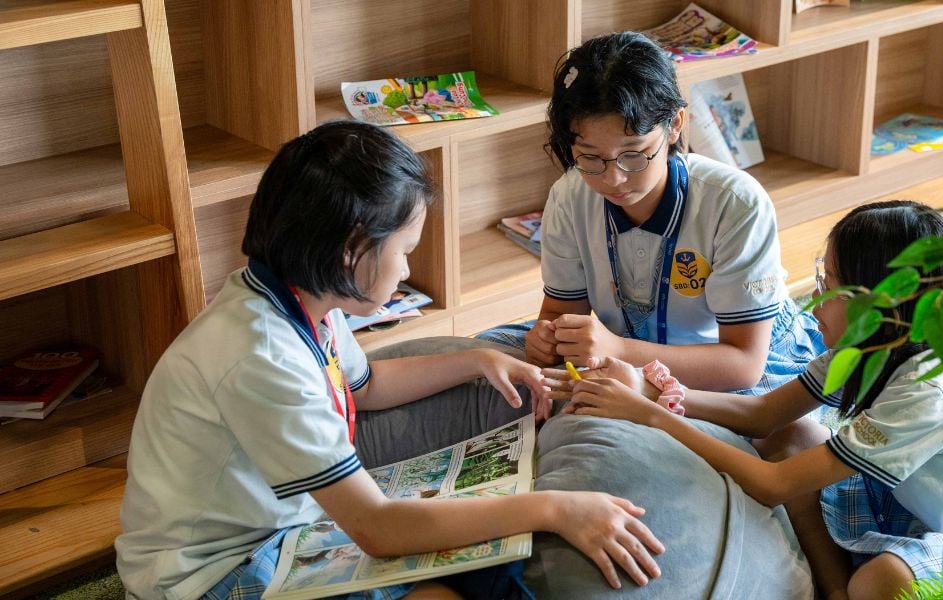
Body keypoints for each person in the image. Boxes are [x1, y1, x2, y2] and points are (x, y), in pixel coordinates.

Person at [115, 121, 662, 600]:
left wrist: (477, 359)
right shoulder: (259, 355)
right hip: (206, 574)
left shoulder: (299, 302)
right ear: (352, 248)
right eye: (403, 251)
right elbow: (376, 528)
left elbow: (365, 386)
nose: (405, 271)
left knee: (488, 570)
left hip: (289, 526)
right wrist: (555, 507)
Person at [546, 200, 943, 600]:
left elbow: (773, 487)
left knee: (883, 579)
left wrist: (650, 416)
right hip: (931, 505)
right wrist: (651, 390)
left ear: (877, 301)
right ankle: (833, 589)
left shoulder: (932, 390)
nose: (813, 299)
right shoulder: (870, 344)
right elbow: (762, 413)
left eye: (829, 283)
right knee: (793, 436)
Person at [476, 31, 823, 400]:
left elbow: (743, 364)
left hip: (735, 356)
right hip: (623, 347)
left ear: (675, 124)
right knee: (483, 359)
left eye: (634, 153)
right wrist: (547, 337)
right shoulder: (569, 196)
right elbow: (562, 311)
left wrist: (620, 352)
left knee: (772, 437)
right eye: (590, 157)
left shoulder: (734, 202)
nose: (614, 178)